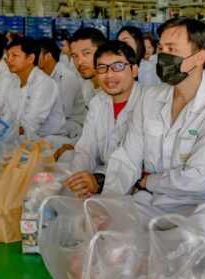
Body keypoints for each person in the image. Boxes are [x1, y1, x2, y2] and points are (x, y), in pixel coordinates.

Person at [103, 17, 205, 250]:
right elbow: (127, 157)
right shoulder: (150, 98)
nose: (163, 56)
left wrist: (149, 181)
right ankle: (161, 249)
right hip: (153, 202)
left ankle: (150, 250)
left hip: (200, 205)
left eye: (172, 50)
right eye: (161, 49)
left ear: (199, 57)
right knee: (107, 219)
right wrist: (109, 201)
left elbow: (197, 177)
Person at [64, 41, 144, 197]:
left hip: (136, 186)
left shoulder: (148, 102)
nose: (109, 75)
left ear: (134, 70)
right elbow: (86, 149)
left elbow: (133, 164)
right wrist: (77, 179)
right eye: (102, 68)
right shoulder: (97, 103)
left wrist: (99, 181)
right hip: (102, 178)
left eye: (118, 66)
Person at [3, 37, 67, 139]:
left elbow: (30, 124)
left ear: (31, 58)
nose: (8, 60)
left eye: (14, 55)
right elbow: (7, 117)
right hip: (22, 138)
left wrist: (4, 134)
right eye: (8, 55)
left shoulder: (43, 83)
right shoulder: (14, 83)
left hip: (48, 140)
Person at [37, 38, 86, 141]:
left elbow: (65, 111)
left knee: (39, 133)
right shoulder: (41, 75)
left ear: (48, 56)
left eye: (37, 54)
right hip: (56, 119)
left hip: (72, 122)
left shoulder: (66, 76)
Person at [69, 28, 107, 105]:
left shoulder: (115, 89)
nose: (79, 62)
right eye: (75, 56)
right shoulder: (87, 87)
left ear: (102, 52)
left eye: (86, 53)